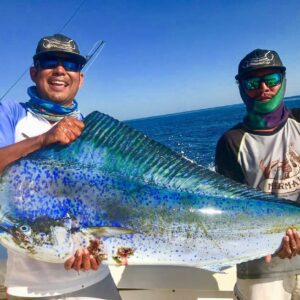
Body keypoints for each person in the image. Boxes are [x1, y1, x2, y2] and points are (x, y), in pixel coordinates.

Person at [0, 33, 121, 299]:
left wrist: (97, 246)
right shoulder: (9, 114)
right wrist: (44, 139)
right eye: (50, 62)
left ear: (80, 78)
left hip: (95, 280)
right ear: (34, 72)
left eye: (71, 65)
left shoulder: (92, 132)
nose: (60, 70)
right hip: (31, 289)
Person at [215, 49, 300, 300]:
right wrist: (273, 238)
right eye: (253, 83)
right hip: (261, 259)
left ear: (283, 81)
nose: (264, 88)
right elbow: (236, 209)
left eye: (271, 80)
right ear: (242, 88)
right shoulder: (231, 141)